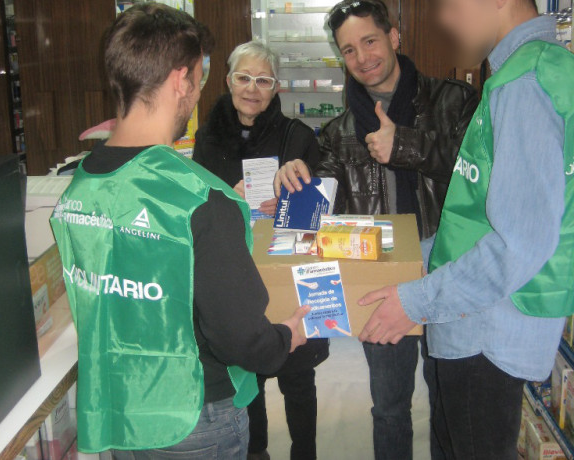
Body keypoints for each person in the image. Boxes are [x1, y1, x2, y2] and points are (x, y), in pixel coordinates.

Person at [49, 4, 309, 459]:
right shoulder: (201, 198)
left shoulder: (78, 187)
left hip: (118, 409)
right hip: (193, 416)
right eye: (201, 75)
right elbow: (241, 338)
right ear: (179, 81)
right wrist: (284, 339)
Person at [356, 0, 574, 458]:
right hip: (477, 315)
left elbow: (521, 241)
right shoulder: (538, 68)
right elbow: (483, 215)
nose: (444, 20)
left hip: (484, 331)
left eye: (450, 5)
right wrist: (409, 258)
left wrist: (414, 300)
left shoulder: (524, 84)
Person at [274, 1, 478, 459]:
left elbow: (481, 177)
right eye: (349, 50)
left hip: (447, 267)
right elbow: (321, 198)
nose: (363, 57)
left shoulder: (455, 101)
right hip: (382, 276)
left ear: (394, 36)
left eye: (370, 41)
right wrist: (293, 178)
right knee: (389, 405)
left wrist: (404, 144)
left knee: (449, 397)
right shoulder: (337, 132)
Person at [194, 41, 329, 460]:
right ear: (228, 81)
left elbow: (324, 209)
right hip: (234, 281)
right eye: (243, 78)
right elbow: (196, 205)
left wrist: (293, 200)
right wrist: (224, 197)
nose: (252, 88)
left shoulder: (299, 136)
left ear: (276, 89)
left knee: (298, 377)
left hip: (289, 271)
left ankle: (304, 452)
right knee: (245, 378)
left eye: (264, 80)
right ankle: (256, 452)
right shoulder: (207, 137)